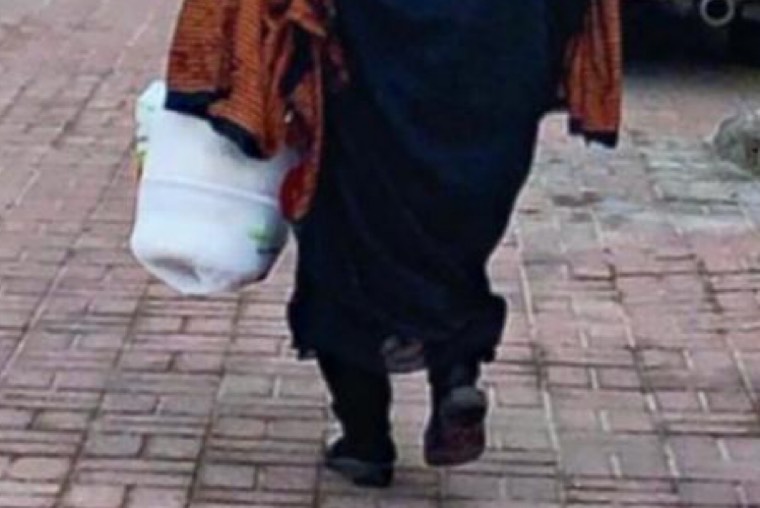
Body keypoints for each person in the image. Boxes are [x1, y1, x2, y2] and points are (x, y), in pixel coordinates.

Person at [165, 0, 621, 490]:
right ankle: (455, 374)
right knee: (453, 237)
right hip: (498, 56)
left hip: (374, 62)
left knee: (344, 248)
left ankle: (366, 442)